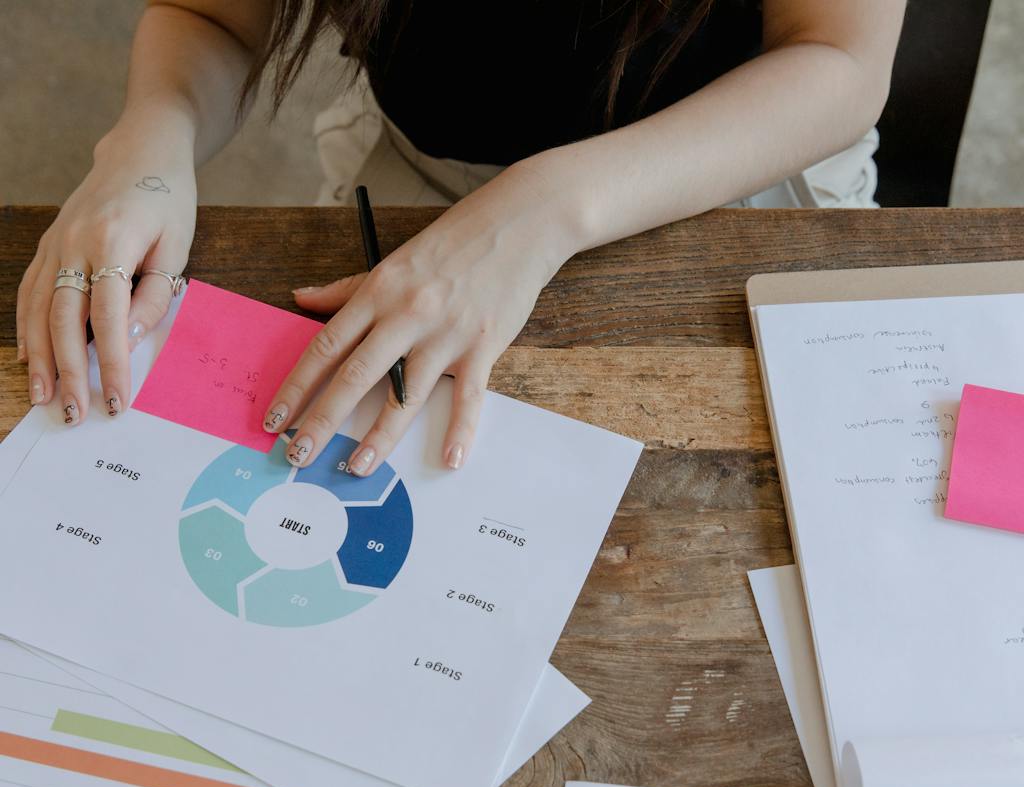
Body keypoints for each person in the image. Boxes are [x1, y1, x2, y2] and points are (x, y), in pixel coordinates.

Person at [16, 0, 905, 472]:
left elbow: (839, 59)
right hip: (422, 181)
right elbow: (212, 17)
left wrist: (541, 207)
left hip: (729, 177)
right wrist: (149, 136)